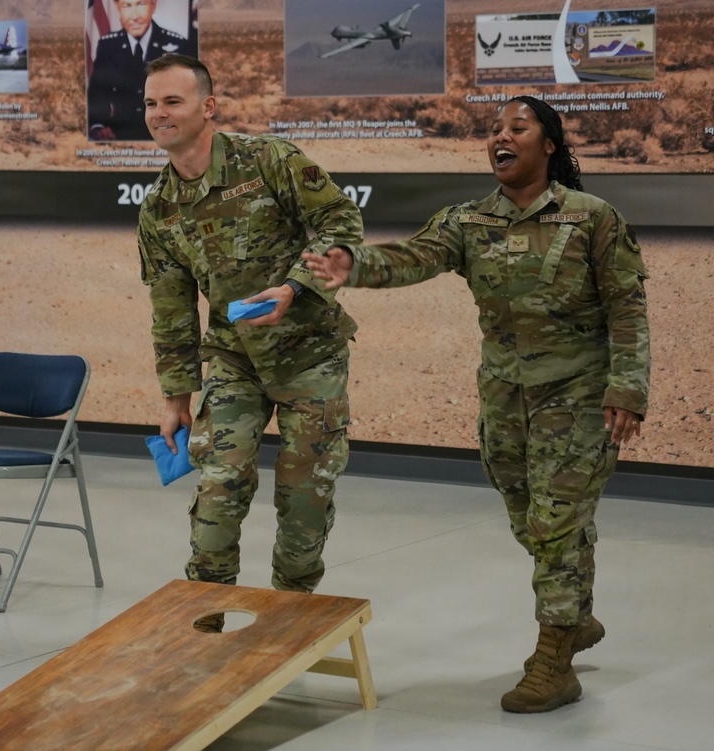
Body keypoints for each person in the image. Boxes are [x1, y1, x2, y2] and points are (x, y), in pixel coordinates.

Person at [303, 96, 650, 712]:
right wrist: (350, 265)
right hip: (504, 396)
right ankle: (578, 614)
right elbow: (412, 257)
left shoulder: (591, 217)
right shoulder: (469, 221)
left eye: (518, 128)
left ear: (549, 145)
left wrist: (628, 389)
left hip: (576, 396)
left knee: (555, 523)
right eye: (494, 130)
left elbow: (627, 306)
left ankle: (553, 660)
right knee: (530, 518)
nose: (501, 137)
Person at [137, 54, 363, 631]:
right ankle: (203, 620)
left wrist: (295, 286)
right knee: (219, 488)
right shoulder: (158, 208)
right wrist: (175, 399)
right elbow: (171, 309)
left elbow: (341, 222)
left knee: (303, 500)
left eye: (172, 101)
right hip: (234, 360)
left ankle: (290, 617)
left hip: (309, 355)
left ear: (207, 107)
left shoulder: (268, 161)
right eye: (150, 103)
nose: (158, 114)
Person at [89, 0, 193, 141]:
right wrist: (98, 126)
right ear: (117, 8)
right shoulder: (107, 46)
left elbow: (186, 95)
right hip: (118, 135)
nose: (134, 16)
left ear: (153, 5)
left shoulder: (177, 45)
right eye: (127, 5)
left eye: (141, 4)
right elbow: (98, 92)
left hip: (165, 132)